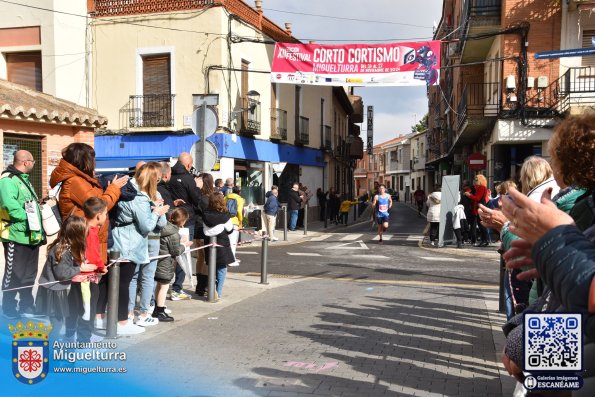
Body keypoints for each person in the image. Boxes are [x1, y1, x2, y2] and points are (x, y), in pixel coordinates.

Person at [112, 163, 169, 334]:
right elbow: (148, 226)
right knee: (130, 280)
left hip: (125, 241)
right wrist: (157, 212)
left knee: (128, 280)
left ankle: (125, 315)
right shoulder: (139, 196)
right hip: (132, 243)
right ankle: (128, 318)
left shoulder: (128, 190)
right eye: (157, 179)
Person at [36, 216, 97, 341]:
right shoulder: (62, 250)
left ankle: (55, 344)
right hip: (53, 291)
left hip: (57, 289)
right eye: (84, 231)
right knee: (57, 323)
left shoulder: (66, 246)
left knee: (58, 321)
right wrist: (81, 269)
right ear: (76, 233)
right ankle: (52, 349)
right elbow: (62, 273)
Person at [0, 150, 45, 318]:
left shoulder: (23, 179)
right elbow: (8, 206)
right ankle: (9, 308)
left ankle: (27, 306)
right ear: (26, 162)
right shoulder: (8, 180)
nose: (33, 164)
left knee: (29, 274)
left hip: (32, 236)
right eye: (33, 161)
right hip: (16, 235)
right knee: (14, 273)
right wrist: (28, 219)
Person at [167, 152, 202, 300]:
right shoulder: (188, 178)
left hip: (170, 217)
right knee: (183, 252)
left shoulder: (169, 177)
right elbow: (197, 199)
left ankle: (165, 284)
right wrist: (198, 187)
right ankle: (177, 288)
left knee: (169, 253)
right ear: (188, 165)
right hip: (187, 219)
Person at [154, 208, 192, 321]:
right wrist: (185, 245)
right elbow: (175, 251)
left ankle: (157, 307)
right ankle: (160, 310)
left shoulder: (163, 228)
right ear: (183, 221)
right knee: (164, 286)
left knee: (159, 285)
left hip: (159, 261)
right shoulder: (174, 233)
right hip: (166, 263)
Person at [77, 197, 108, 328]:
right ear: (98, 215)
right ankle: (85, 338)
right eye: (105, 213)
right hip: (88, 278)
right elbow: (94, 254)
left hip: (85, 277)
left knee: (85, 307)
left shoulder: (85, 227)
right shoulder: (90, 231)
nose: (106, 216)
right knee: (88, 308)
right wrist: (102, 266)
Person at [203, 193, 235, 300]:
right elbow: (230, 230)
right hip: (222, 243)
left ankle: (211, 288)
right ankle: (218, 292)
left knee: (212, 268)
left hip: (208, 242)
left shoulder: (205, 213)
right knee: (221, 269)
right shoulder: (225, 215)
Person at [194, 173, 214, 296]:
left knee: (200, 257)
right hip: (204, 228)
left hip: (197, 227)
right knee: (207, 258)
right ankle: (204, 285)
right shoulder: (206, 198)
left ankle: (199, 285)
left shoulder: (196, 195)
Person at [464, 175, 490, 247]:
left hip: (480, 207)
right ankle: (484, 240)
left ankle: (484, 240)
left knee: (481, 224)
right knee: (480, 224)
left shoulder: (481, 188)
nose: (474, 181)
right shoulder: (479, 188)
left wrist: (469, 195)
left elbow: (477, 198)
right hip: (478, 207)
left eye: (476, 179)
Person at [224, 186, 244, 265]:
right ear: (239, 192)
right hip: (234, 221)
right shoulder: (240, 199)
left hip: (225, 220)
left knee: (226, 241)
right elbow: (239, 211)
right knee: (233, 242)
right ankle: (231, 261)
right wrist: (240, 221)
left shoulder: (226, 197)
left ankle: (231, 258)